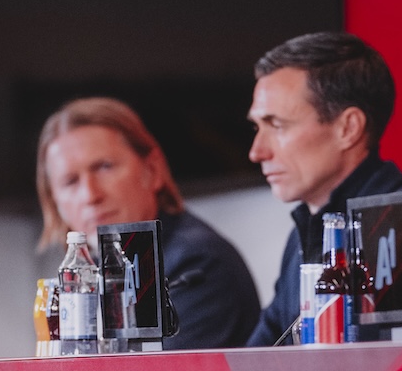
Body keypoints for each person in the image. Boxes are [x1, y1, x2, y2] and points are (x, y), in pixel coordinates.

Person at [246, 32, 402, 346]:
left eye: (277, 126)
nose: (257, 152)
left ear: (348, 128)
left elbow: (391, 370)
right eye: (257, 127)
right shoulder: (305, 231)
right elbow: (258, 360)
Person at [37, 97, 259, 350]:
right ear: (54, 202)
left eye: (104, 167)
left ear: (152, 170)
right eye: (70, 181)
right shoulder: (92, 271)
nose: (90, 195)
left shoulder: (197, 263)